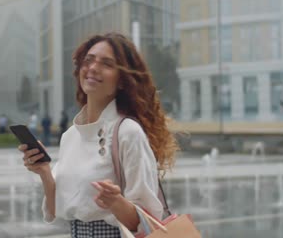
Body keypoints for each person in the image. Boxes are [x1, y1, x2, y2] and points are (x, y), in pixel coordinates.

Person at [18, 32, 179, 237]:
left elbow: (147, 221)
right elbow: (55, 210)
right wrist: (44, 171)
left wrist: (116, 202)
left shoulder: (128, 132)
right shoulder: (70, 135)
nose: (93, 68)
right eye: (89, 60)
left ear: (122, 81)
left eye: (107, 64)